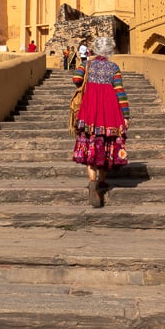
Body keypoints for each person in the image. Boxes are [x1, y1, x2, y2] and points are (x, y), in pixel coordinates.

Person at [71, 37, 129, 208]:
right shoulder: (114, 67)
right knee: (105, 141)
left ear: (95, 50)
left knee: (90, 140)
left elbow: (76, 80)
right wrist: (126, 115)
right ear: (110, 51)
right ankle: (102, 181)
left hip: (90, 109)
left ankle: (92, 180)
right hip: (110, 110)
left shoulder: (87, 65)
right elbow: (120, 91)